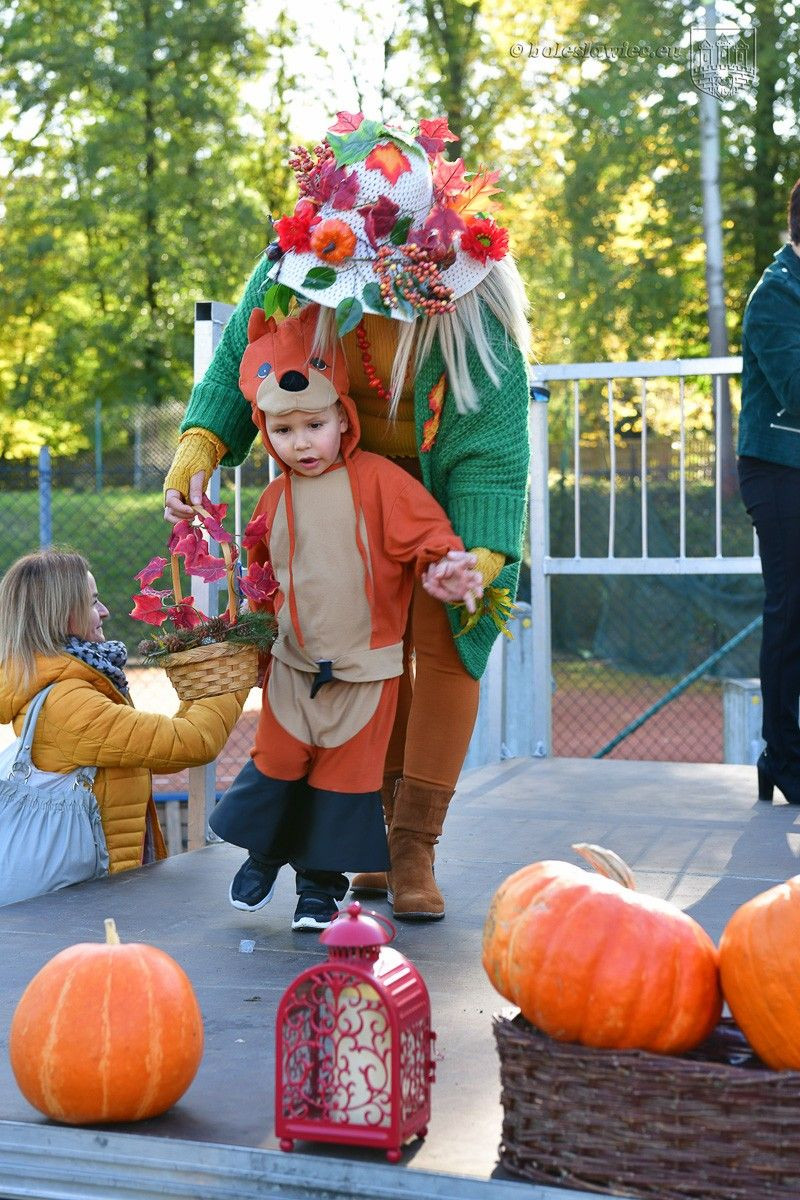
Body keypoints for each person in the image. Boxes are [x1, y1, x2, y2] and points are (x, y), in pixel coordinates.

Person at [164, 112, 531, 920]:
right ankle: (354, 832)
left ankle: (411, 844)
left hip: (437, 498)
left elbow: (492, 454)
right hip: (328, 490)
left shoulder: (483, 311)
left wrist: (478, 559)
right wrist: (201, 441)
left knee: (444, 642)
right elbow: (240, 365)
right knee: (338, 654)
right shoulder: (292, 268)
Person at [207, 307, 482, 929]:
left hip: (366, 671)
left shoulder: (381, 482)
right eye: (283, 430)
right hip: (296, 669)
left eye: (315, 425)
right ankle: (264, 850)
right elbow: (261, 583)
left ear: (342, 419)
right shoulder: (273, 501)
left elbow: (428, 534)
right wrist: (254, 644)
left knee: (342, 784)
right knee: (277, 763)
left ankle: (317, 891)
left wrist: (450, 566)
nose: (301, 442)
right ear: (266, 433)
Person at [0, 549, 247, 875]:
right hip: (89, 896)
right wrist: (236, 668)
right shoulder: (68, 703)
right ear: (60, 614)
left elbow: (161, 742)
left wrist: (210, 677)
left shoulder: (68, 683)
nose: (103, 611)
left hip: (95, 884)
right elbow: (192, 740)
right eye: (91, 602)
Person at [738, 178, 800, 804]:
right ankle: (782, 755)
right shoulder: (776, 294)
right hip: (778, 469)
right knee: (792, 607)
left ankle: (783, 754)